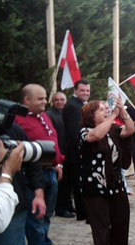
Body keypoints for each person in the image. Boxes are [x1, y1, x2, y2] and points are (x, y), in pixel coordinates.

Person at [78, 98, 134, 245]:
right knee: (101, 227)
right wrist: (113, 116)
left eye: (106, 108)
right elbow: (96, 135)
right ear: (91, 114)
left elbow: (131, 129)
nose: (106, 110)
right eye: (101, 109)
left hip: (116, 185)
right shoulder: (85, 131)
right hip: (95, 188)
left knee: (121, 220)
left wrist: (122, 113)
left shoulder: (112, 129)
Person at [15, 84, 66, 245]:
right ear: (27, 100)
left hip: (51, 171)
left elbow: (54, 142)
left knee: (47, 214)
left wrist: (58, 163)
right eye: (41, 99)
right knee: (36, 216)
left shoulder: (44, 117)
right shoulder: (19, 121)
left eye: (45, 98)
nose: (45, 101)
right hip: (33, 176)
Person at [63, 79, 91, 221]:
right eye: (82, 90)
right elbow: (75, 133)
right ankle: (82, 212)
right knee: (77, 182)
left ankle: (73, 207)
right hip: (75, 151)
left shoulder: (80, 105)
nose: (85, 93)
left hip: (76, 150)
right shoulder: (73, 107)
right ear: (75, 91)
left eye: (87, 91)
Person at [46, 91, 74, 218]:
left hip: (68, 152)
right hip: (57, 152)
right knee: (60, 182)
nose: (59, 102)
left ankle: (68, 205)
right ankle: (60, 208)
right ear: (52, 101)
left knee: (68, 181)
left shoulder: (68, 113)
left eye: (62, 100)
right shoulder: (49, 115)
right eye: (56, 100)